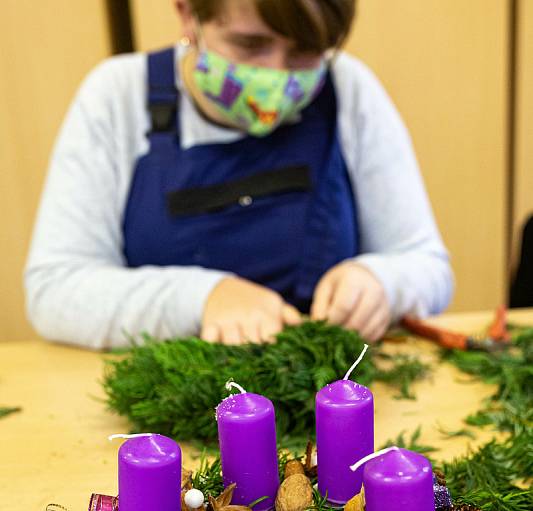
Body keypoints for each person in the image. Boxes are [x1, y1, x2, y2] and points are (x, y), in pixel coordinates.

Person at [25, 0, 453, 349]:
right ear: (187, 14)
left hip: (328, 397)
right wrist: (203, 298)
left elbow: (427, 265)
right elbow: (55, 289)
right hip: (168, 407)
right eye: (251, 45)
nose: (278, 75)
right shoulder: (117, 97)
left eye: (305, 50)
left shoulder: (349, 91)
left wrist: (382, 282)